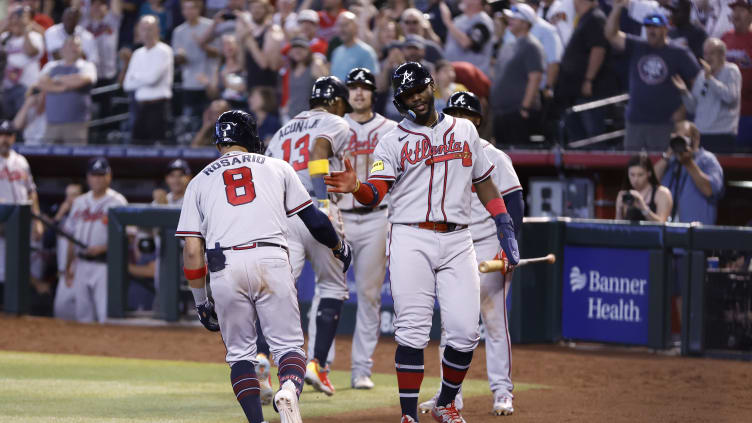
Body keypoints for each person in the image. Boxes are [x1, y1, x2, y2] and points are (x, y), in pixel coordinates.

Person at [324, 62, 520, 423]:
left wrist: (503, 223)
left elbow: (484, 181)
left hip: (460, 238)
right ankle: (408, 415)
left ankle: (445, 402)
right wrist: (356, 187)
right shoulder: (392, 140)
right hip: (410, 236)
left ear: (432, 87)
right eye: (407, 95)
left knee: (464, 332)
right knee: (412, 330)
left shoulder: (464, 129)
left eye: (419, 90)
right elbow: (374, 193)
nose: (415, 98)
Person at [176, 110, 351, 423]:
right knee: (288, 347)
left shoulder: (199, 181)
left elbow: (191, 250)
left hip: (223, 265)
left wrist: (201, 302)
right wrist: (338, 246)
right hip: (270, 258)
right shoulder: (277, 166)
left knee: (240, 356)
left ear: (219, 143)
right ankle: (288, 389)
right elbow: (314, 221)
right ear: (249, 137)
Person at [417, 91, 523, 417]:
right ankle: (450, 398)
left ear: (477, 120)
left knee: (492, 322)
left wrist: (509, 245)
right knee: (451, 326)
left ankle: (502, 392)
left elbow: (514, 202)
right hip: (456, 248)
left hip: (490, 244)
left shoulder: (493, 155)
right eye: (454, 113)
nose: (460, 118)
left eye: (466, 114)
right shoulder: (442, 156)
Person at [265, 76, 353, 397]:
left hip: (280, 215)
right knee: (332, 285)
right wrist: (323, 202)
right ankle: (316, 364)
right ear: (338, 102)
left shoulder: (282, 129)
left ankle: (262, 360)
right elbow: (319, 149)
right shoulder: (335, 121)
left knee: (278, 288)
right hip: (314, 210)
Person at [341, 67, 398, 390]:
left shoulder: (391, 129)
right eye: (353, 87)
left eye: (364, 87)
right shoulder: (335, 127)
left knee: (369, 295)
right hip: (342, 217)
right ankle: (319, 363)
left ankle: (361, 368)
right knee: (328, 292)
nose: (359, 92)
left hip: (378, 216)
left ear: (373, 93)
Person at [606, 5, 701, 151]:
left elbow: (699, 83)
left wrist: (684, 109)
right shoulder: (637, 45)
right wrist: (617, 7)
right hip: (635, 122)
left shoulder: (679, 52)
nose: (651, 30)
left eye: (655, 27)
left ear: (666, 29)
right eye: (648, 26)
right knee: (634, 167)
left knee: (663, 166)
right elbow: (611, 35)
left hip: (665, 123)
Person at [64, 157, 128, 323]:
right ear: (88, 177)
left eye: (101, 175)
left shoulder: (118, 201)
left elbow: (127, 237)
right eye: (94, 175)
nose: (97, 179)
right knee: (83, 315)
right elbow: (71, 238)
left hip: (105, 266)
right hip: (81, 264)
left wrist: (104, 248)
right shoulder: (79, 202)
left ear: (109, 176)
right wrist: (68, 266)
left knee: (105, 316)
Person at [555, 0, 616, 142]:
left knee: (593, 136)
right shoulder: (585, 18)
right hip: (576, 90)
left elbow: (598, 50)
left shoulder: (595, 17)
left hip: (590, 92)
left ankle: (598, 163)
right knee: (578, 138)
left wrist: (589, 80)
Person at [672, 38, 741, 153]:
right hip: (701, 134)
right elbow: (693, 108)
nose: (708, 58)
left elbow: (730, 98)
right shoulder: (701, 75)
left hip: (722, 135)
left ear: (722, 55)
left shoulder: (731, 71)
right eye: (705, 53)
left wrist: (710, 79)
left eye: (712, 53)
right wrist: (684, 92)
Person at [0, 120, 42, 306]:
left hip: (21, 224)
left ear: (14, 138)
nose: (4, 139)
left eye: (8, 135)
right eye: (1, 135)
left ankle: (18, 314)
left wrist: (38, 220)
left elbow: (31, 191)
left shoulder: (21, 162)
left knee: (20, 270)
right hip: (2, 224)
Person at [491, 4, 545, 145]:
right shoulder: (508, 45)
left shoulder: (531, 45)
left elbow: (535, 77)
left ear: (525, 23)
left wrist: (525, 108)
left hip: (517, 112)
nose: (510, 20)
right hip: (501, 112)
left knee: (518, 156)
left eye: (515, 18)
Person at [653, 120, 724, 224]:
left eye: (684, 137)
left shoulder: (707, 160)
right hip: (668, 230)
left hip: (696, 231)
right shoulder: (670, 162)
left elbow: (710, 190)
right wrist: (668, 154)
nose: (680, 141)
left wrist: (689, 163)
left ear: (695, 140)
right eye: (677, 137)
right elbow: (651, 182)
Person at [122, 15, 174, 144]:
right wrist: (144, 76)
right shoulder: (137, 53)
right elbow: (127, 84)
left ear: (157, 30)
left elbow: (153, 79)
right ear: (138, 31)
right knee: (136, 146)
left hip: (158, 107)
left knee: (157, 149)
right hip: (139, 107)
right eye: (143, 29)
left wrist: (137, 76)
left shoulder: (164, 51)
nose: (147, 32)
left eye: (150, 28)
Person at [37, 36, 97, 144]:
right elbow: (41, 83)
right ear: (62, 49)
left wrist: (57, 79)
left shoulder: (87, 66)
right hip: (52, 123)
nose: (73, 48)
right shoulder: (51, 66)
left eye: (77, 45)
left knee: (76, 159)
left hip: (76, 124)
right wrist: (63, 87)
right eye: (70, 45)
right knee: (48, 158)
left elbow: (83, 80)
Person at [172, 0, 216, 121]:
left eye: (192, 8)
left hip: (209, 81)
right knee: (190, 121)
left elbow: (219, 53)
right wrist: (180, 57)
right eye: (186, 8)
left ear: (199, 9)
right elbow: (178, 59)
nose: (189, 12)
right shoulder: (178, 31)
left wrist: (202, 45)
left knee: (211, 121)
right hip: (189, 83)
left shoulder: (210, 26)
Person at [1, 5, 44, 120]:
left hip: (27, 88)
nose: (15, 21)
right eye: (13, 17)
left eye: (19, 17)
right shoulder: (5, 37)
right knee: (7, 126)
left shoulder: (35, 36)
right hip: (7, 88)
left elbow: (31, 52)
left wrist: (25, 29)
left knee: (24, 125)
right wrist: (4, 26)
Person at [722, 0, 752, 151]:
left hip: (748, 112)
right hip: (726, 114)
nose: (736, 13)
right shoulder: (725, 38)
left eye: (742, 9)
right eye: (734, 10)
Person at [235, 0, 284, 91]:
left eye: (259, 7)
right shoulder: (249, 33)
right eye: (253, 8)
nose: (256, 11)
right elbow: (241, 65)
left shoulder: (273, 31)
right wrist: (240, 42)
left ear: (266, 10)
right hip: (251, 86)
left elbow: (264, 64)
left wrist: (249, 40)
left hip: (268, 87)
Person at [52, 182, 84, 320]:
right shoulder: (63, 219)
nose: (70, 199)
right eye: (68, 196)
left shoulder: (86, 216)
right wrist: (60, 213)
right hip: (63, 273)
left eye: (74, 195)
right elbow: (47, 239)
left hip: (81, 271)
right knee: (60, 314)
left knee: (84, 316)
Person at [441, 0, 495, 76]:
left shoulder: (484, 21)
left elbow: (467, 43)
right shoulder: (459, 19)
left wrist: (448, 22)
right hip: (453, 72)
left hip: (473, 76)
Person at [280, 37, 328, 120]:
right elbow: (293, 94)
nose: (297, 50)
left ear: (308, 50)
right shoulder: (291, 69)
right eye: (294, 47)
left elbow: (328, 89)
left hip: (310, 118)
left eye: (301, 47)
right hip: (292, 118)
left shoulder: (315, 65)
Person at [615, 154, 673, 222]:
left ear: (649, 173)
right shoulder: (626, 195)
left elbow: (662, 225)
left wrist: (643, 208)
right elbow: (618, 228)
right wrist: (618, 209)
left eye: (640, 175)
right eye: (632, 174)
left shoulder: (662, 193)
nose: (635, 179)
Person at [329, 11, 380, 82]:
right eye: (340, 25)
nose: (342, 29)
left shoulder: (366, 52)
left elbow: (373, 81)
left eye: (346, 25)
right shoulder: (336, 52)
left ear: (356, 27)